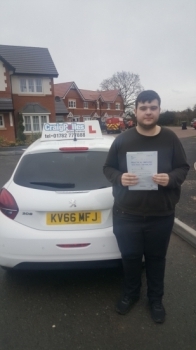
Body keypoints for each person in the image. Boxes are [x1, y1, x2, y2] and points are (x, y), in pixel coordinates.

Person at [103, 90, 190, 323]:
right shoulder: (122, 139)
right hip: (126, 214)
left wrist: (170, 178)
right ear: (136, 111)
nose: (148, 112)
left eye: (153, 107)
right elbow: (108, 169)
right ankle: (131, 294)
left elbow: (183, 168)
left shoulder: (171, 139)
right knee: (130, 257)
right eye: (144, 107)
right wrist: (119, 177)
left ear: (159, 110)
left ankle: (155, 299)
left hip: (160, 214)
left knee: (156, 258)